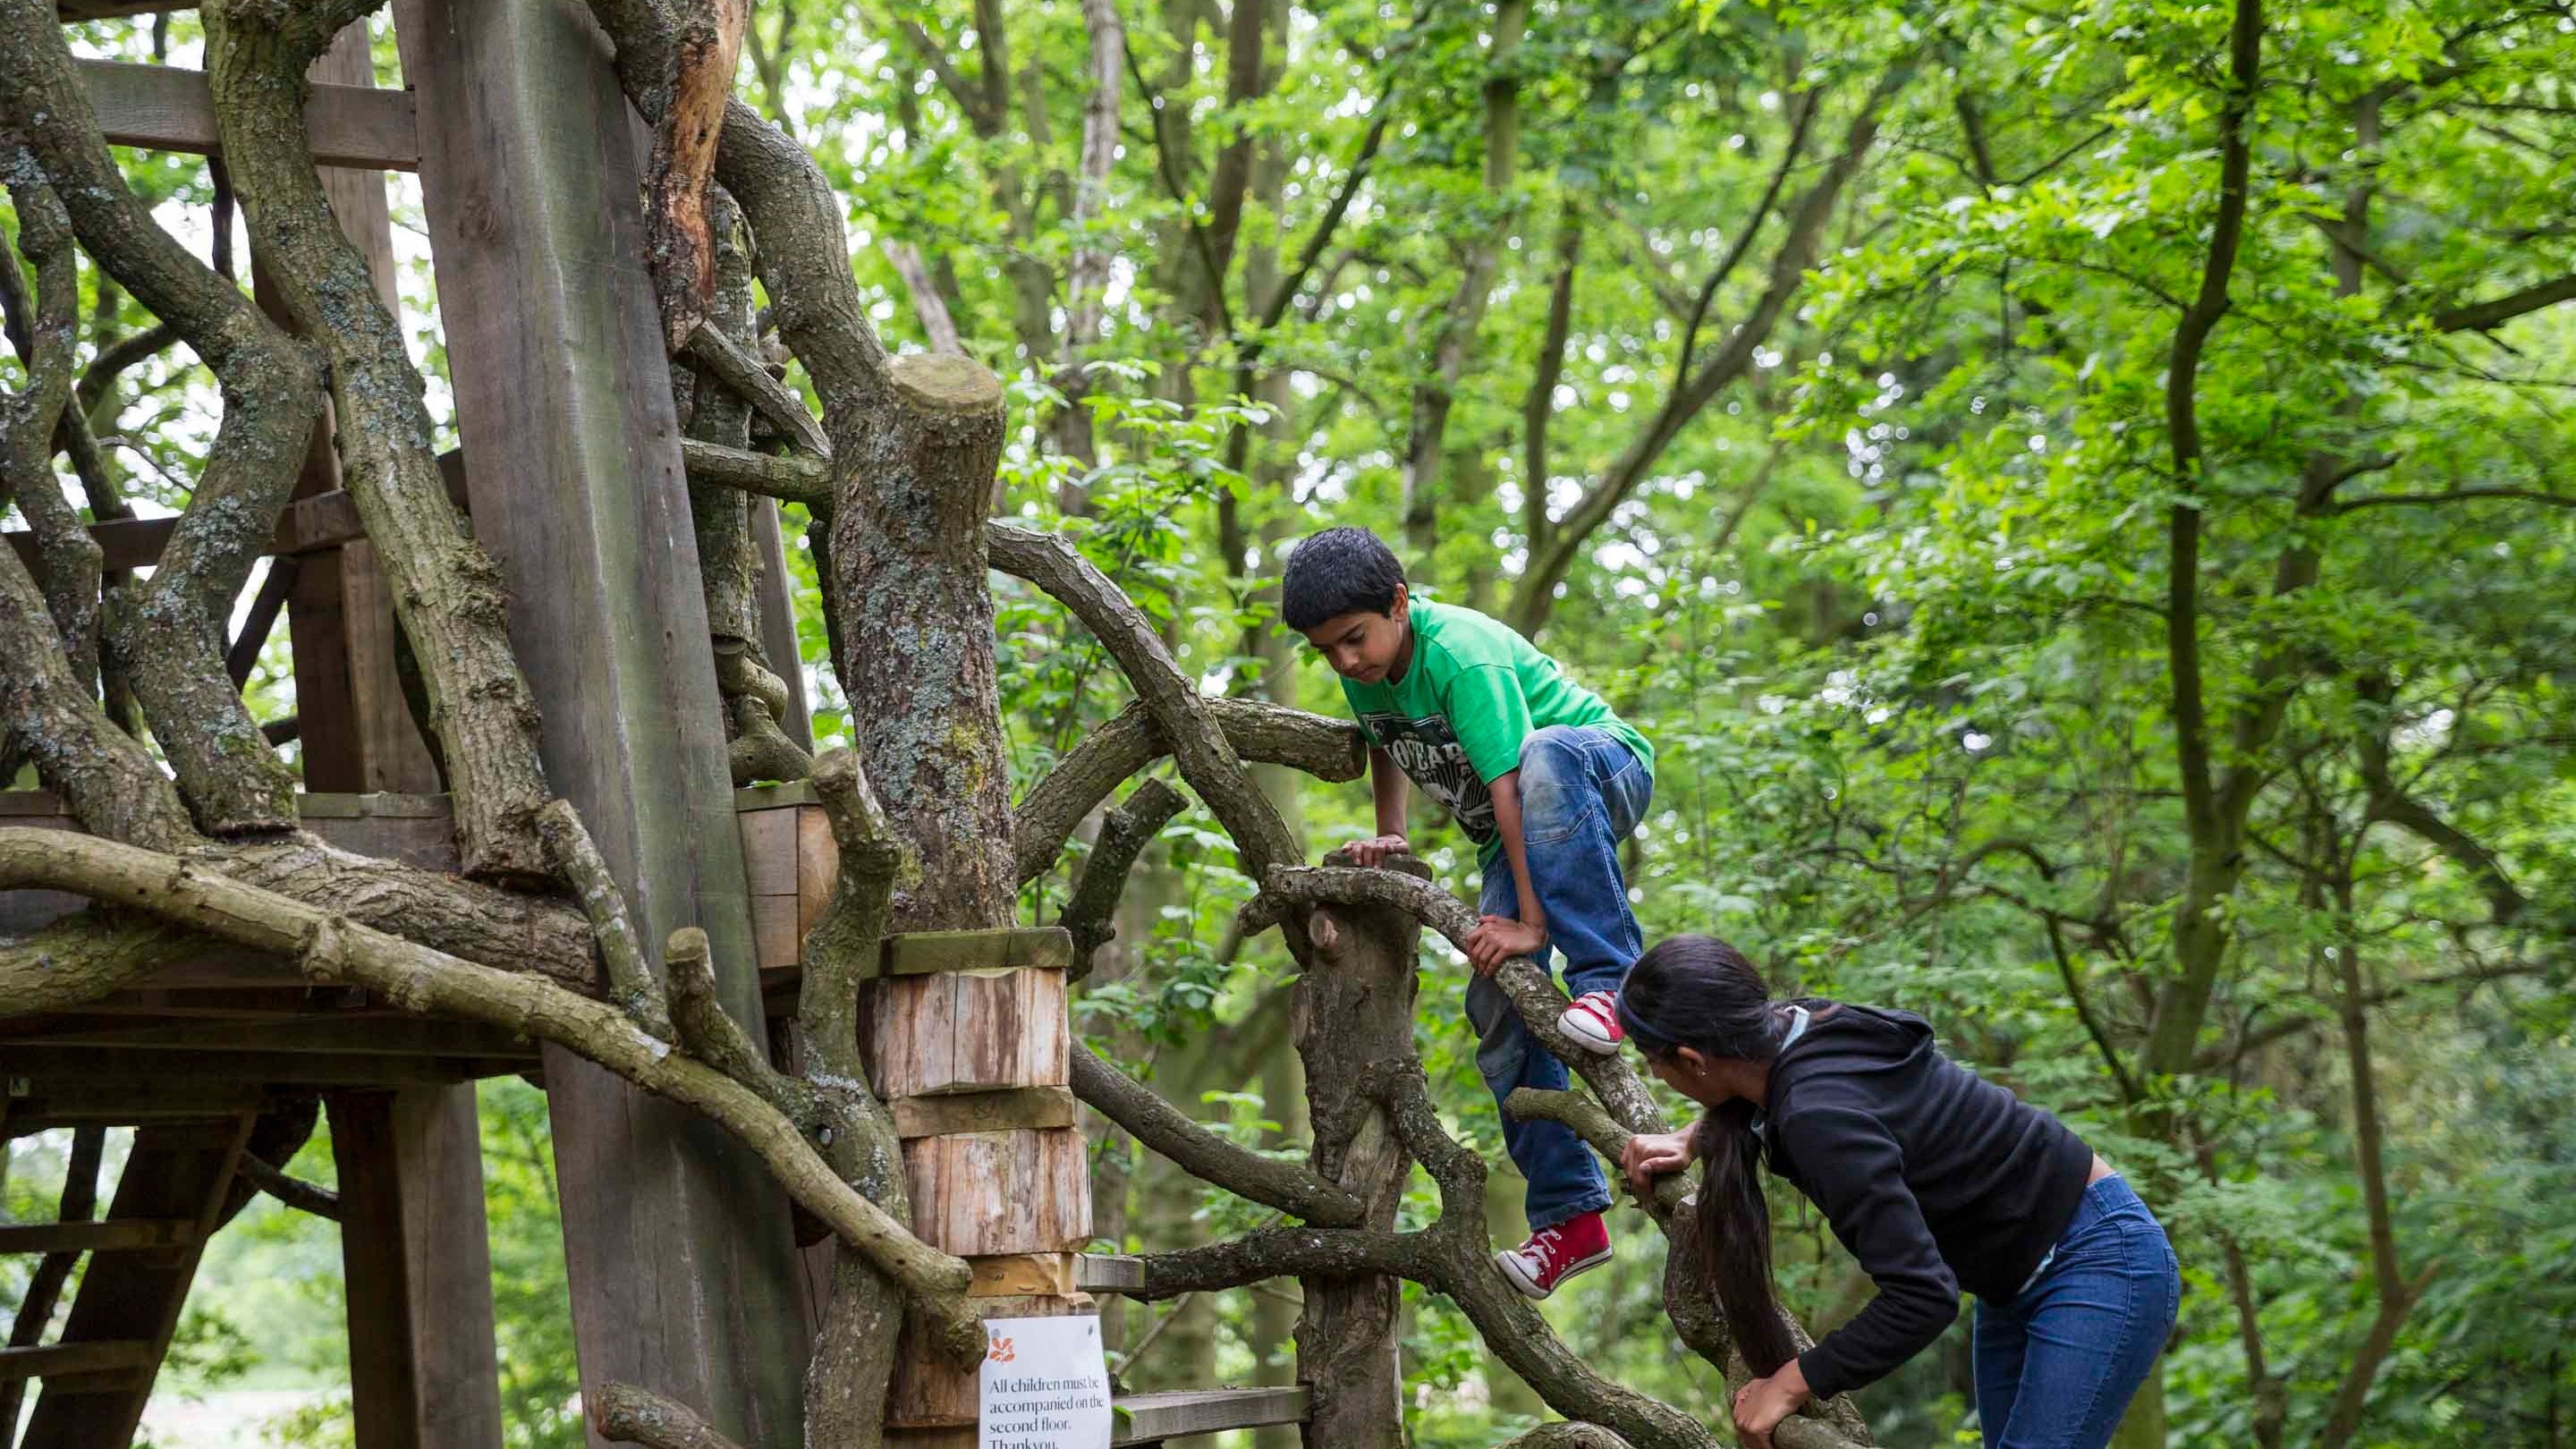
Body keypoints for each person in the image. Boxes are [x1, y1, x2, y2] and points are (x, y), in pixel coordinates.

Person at [1614, 936, 2178, 1449]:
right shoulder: (1798, 1023)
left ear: (1693, 1060)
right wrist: (1694, 1136)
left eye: (1653, 1061)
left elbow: (1923, 1298)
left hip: (2099, 1260)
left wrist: (1794, 1380)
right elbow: (1784, 1092)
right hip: (2017, 1272)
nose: (1656, 1077)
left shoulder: (1817, 1118)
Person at [1282, 526, 1656, 1299]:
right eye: (1328, 652)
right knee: (1496, 1000)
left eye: (1354, 639)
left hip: (1595, 769)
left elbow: (1513, 783)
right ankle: (1571, 1218)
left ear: (1399, 602)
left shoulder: (1460, 654)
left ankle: (1610, 982)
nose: (1346, 661)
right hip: (1509, 830)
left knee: (1548, 756)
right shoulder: (1365, 667)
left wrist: (1533, 925)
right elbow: (1384, 739)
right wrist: (1393, 832)